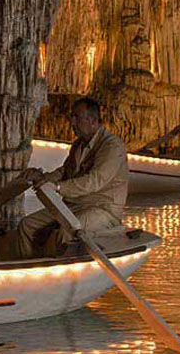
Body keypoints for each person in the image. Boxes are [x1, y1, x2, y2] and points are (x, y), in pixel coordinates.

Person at [10, 97, 128, 259]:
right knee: (27, 225)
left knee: (66, 232)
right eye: (72, 116)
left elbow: (95, 180)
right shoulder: (79, 144)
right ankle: (30, 268)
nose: (72, 121)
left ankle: (58, 275)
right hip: (73, 205)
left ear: (93, 120)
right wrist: (44, 178)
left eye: (76, 117)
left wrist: (58, 187)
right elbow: (65, 171)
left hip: (102, 208)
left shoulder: (112, 146)